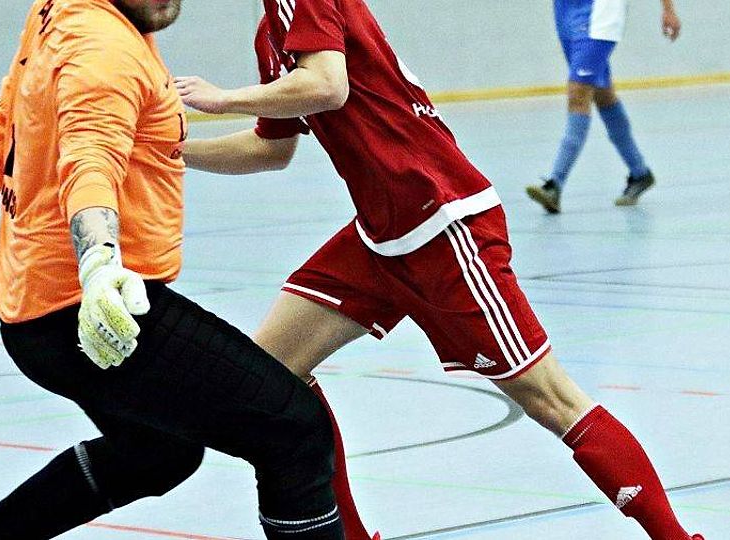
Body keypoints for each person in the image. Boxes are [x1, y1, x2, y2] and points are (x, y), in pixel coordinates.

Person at [174, 0, 701, 538]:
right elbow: (272, 148)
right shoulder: (271, 30)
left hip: (443, 225)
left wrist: (222, 99)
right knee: (273, 371)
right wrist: (172, 151)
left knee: (553, 400)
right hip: (380, 236)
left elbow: (327, 85)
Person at [0, 1, 346, 539]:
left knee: (156, 452)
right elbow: (89, 163)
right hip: (93, 314)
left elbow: (4, 131)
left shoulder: (59, 12)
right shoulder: (106, 49)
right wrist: (98, 265)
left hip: (37, 314)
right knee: (293, 431)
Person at [526, 0, 682, 213]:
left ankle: (555, 184)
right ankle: (640, 173)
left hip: (600, 17)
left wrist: (668, 10)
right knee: (603, 95)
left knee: (578, 94)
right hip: (566, 13)